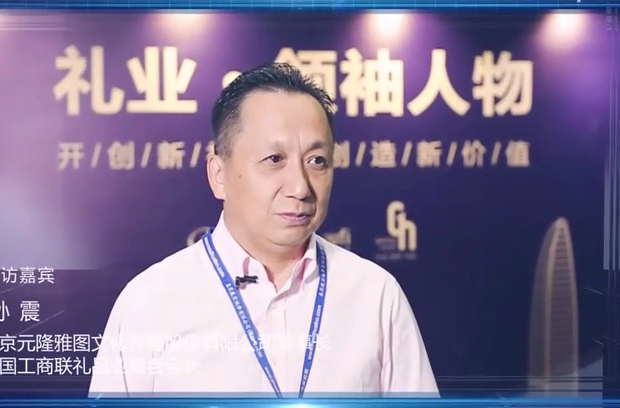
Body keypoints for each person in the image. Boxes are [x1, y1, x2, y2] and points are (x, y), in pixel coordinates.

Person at [88, 63, 438, 398]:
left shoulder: (375, 295)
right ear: (219, 175)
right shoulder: (149, 303)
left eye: (317, 161)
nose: (300, 187)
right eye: (274, 159)